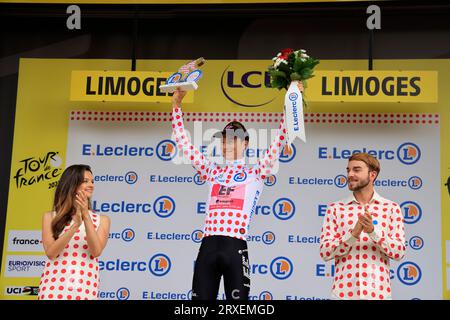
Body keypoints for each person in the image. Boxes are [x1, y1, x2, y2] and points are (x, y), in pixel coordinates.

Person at [170, 84, 301, 300]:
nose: (227, 143)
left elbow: (279, 141)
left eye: (234, 138)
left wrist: (291, 100)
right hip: (208, 245)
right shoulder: (211, 171)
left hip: (235, 247)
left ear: (246, 143)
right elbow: (184, 143)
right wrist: (176, 105)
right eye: (224, 139)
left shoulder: (256, 172)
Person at [319, 153, 406, 300]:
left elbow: (399, 252)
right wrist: (353, 235)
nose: (350, 174)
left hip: (379, 294)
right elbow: (325, 252)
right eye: (348, 170)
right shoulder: (335, 208)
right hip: (343, 295)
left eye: (356, 170)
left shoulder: (391, 208)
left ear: (372, 175)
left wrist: (373, 232)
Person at [38, 164, 110, 300]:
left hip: (85, 287)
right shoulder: (50, 217)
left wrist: (85, 216)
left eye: (92, 181)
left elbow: (96, 251)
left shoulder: (103, 220)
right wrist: (75, 225)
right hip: (53, 287)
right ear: (72, 183)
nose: (91, 185)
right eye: (85, 181)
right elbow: (51, 253)